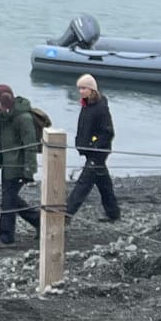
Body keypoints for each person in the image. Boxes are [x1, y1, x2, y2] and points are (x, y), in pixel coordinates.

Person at [0, 83, 41, 249]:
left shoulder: (24, 118)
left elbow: (30, 145)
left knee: (8, 202)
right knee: (11, 200)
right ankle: (40, 221)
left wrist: (29, 171)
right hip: (7, 164)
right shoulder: (3, 115)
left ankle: (6, 238)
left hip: (18, 166)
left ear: (5, 101)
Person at [64, 74, 120, 222]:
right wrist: (80, 142)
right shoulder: (86, 104)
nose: (81, 91)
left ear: (92, 89)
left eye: (84, 88)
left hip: (98, 152)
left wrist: (93, 145)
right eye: (79, 88)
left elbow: (108, 132)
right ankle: (113, 213)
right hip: (89, 150)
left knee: (84, 183)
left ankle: (67, 214)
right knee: (103, 183)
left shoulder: (100, 108)